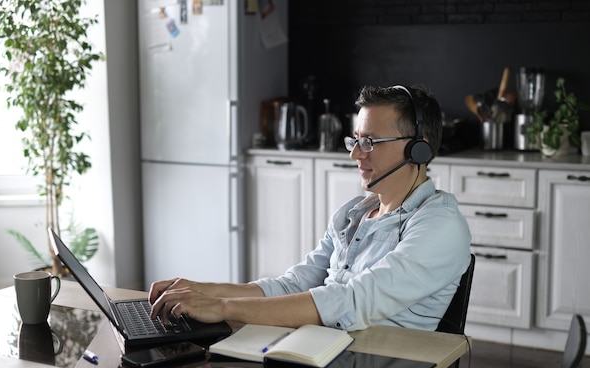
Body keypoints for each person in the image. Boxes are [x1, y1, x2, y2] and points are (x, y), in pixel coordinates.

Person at [149, 84, 471, 332]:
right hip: (327, 356)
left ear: (418, 150)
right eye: (355, 140)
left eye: (369, 142)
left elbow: (351, 301)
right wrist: (198, 290)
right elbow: (293, 285)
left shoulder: (439, 225)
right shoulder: (353, 214)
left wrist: (222, 307)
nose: (355, 155)